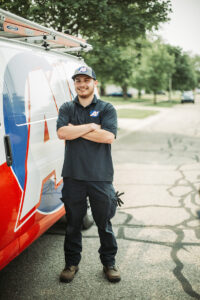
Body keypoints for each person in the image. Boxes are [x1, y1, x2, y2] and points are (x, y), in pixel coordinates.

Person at [56, 65, 121, 283]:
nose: (82, 85)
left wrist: (77, 129)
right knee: (74, 223)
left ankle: (109, 263)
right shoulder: (67, 107)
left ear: (95, 82)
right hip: (73, 176)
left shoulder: (107, 108)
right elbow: (62, 133)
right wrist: (92, 126)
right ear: (74, 84)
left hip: (100, 176)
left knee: (104, 222)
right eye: (78, 81)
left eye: (86, 80)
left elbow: (108, 137)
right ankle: (71, 264)